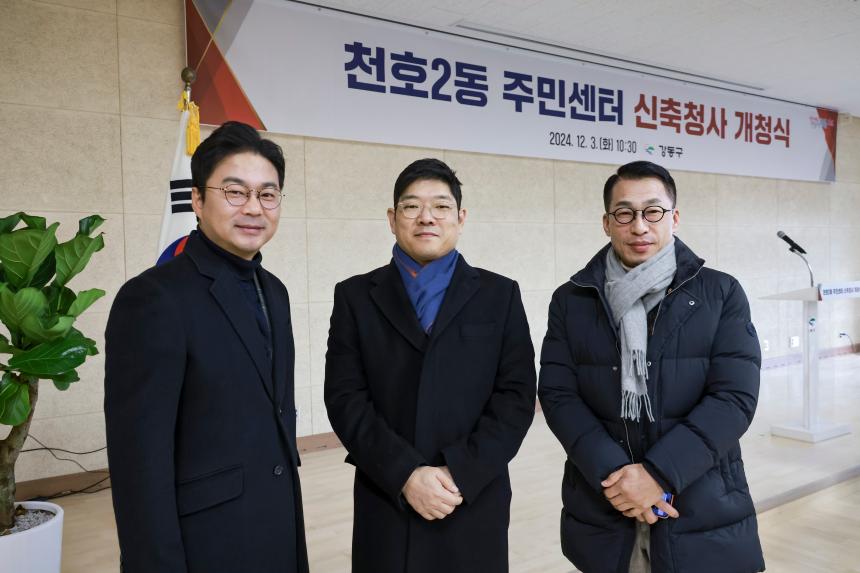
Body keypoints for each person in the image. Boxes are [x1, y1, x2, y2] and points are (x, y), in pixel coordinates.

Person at [538, 160, 764, 573]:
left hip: (700, 501)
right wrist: (619, 478)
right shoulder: (572, 300)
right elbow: (558, 395)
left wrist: (658, 475)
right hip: (605, 500)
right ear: (607, 223)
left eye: (653, 211)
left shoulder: (720, 293)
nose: (639, 226)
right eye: (625, 213)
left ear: (674, 218)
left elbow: (734, 398)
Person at [104, 121, 308, 573]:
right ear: (197, 200)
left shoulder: (274, 290)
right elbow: (139, 460)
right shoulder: (153, 298)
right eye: (234, 192)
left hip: (276, 520)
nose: (253, 207)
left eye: (268, 194)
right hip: (207, 539)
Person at [324, 158, 537, 572]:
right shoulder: (354, 296)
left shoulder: (500, 295)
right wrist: (406, 474)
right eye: (411, 206)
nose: (427, 217)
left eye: (441, 206)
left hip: (471, 494)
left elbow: (516, 396)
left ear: (461, 218)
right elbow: (345, 397)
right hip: (387, 493)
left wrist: (460, 472)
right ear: (392, 219)